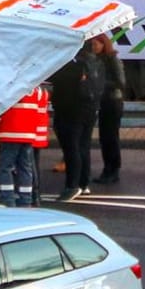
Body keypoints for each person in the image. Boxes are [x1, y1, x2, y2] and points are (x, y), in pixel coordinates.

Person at [49, 45, 103, 201]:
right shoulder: (96, 62)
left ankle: (72, 186)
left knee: (71, 147)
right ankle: (83, 183)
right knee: (83, 146)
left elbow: (56, 78)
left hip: (70, 109)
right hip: (90, 108)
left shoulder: (70, 64)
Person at [0, 86, 45, 207]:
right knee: (25, 168)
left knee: (5, 168)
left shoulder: (10, 87)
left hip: (10, 132)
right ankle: (26, 200)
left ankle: (8, 200)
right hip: (28, 135)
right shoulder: (37, 90)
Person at [92, 35, 127, 185]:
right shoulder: (97, 60)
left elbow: (121, 82)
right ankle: (108, 168)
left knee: (110, 137)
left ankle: (113, 169)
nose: (94, 48)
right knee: (105, 137)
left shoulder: (112, 59)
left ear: (103, 44)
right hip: (104, 101)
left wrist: (99, 83)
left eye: (96, 44)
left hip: (113, 101)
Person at [29, 83, 50, 206]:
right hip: (37, 133)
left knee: (30, 165)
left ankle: (34, 194)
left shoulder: (31, 91)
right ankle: (36, 194)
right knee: (34, 164)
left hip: (30, 132)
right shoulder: (42, 91)